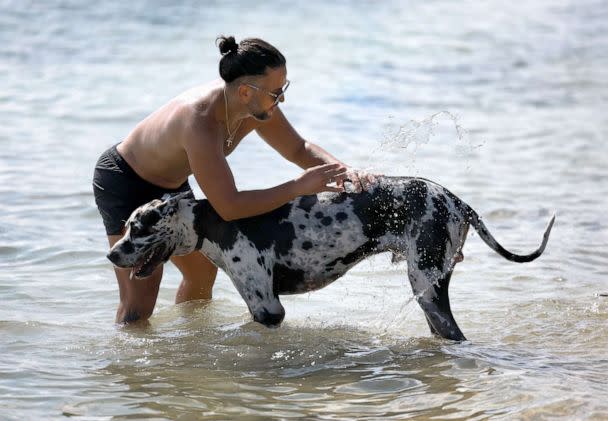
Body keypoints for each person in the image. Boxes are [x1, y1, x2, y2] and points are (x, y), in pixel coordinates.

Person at [93, 36, 375, 324]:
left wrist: (345, 170)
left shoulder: (255, 107)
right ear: (245, 91)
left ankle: (189, 349)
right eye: (276, 92)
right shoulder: (200, 122)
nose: (282, 99)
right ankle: (127, 365)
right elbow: (229, 206)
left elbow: (298, 148)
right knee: (139, 302)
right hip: (126, 180)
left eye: (284, 88)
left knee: (202, 274)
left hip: (171, 184)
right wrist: (298, 187)